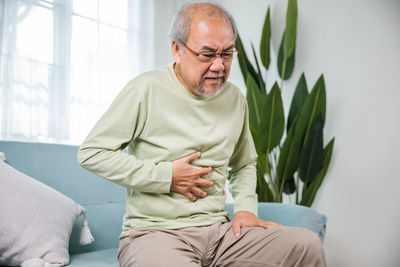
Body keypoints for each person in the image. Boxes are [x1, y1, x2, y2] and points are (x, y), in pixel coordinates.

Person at [77, 1, 326, 266]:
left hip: (221, 234)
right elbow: (92, 153)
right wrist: (166, 176)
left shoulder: (235, 99)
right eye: (207, 55)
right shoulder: (145, 90)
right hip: (155, 234)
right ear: (177, 49)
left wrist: (244, 210)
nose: (219, 66)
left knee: (305, 245)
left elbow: (244, 163)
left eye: (227, 54)